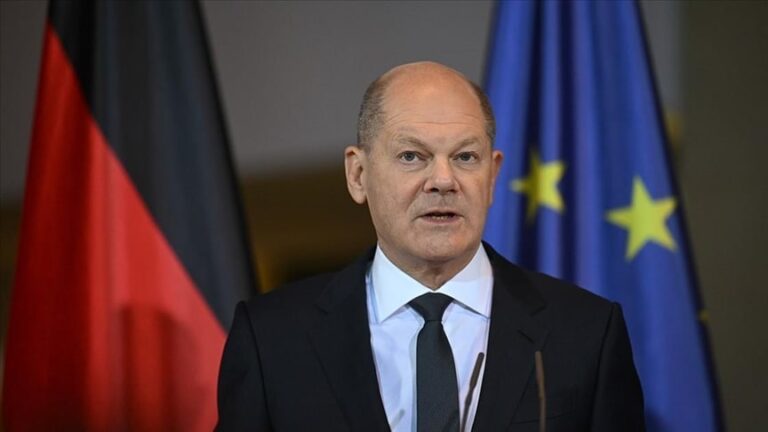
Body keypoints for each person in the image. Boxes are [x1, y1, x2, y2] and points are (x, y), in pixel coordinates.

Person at [217, 62, 644, 431]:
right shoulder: (272, 339)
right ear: (358, 174)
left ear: (492, 176)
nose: (443, 180)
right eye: (412, 156)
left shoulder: (586, 334)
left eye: (465, 157)